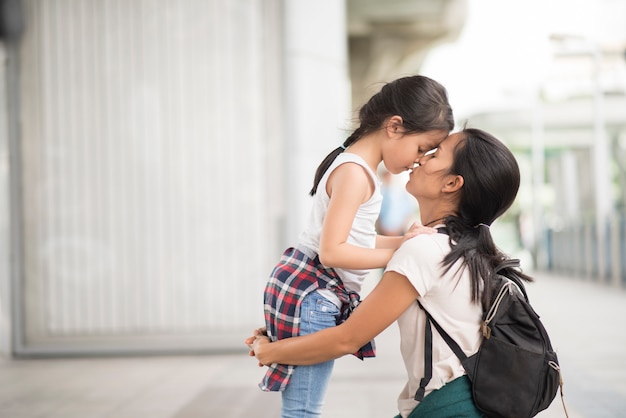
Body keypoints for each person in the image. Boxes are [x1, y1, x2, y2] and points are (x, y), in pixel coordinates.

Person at [248, 127, 531, 418]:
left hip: (451, 408)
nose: (421, 159)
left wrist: (270, 351)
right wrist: (289, 334)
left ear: (452, 183)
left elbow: (348, 337)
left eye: (434, 154)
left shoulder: (426, 251)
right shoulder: (460, 250)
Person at [260, 75, 455, 418]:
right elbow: (332, 252)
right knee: (303, 410)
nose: (419, 160)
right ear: (395, 127)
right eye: (422, 147)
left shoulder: (358, 169)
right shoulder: (355, 174)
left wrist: (403, 241)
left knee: (302, 408)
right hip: (314, 293)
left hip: (308, 287)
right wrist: (402, 254)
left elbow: (355, 239)